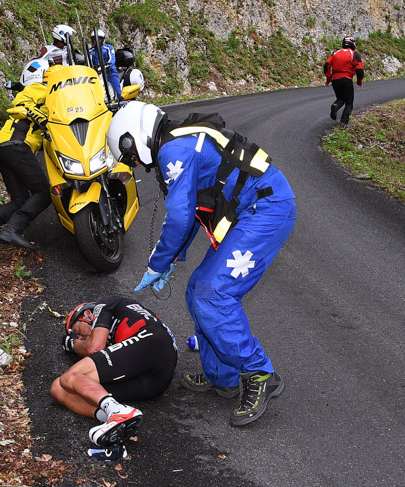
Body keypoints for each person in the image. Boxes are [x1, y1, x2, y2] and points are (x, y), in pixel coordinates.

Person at [105, 102, 297, 427]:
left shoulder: (173, 150)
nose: (136, 164)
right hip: (253, 210)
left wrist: (157, 262)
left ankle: (259, 373)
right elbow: (195, 210)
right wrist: (174, 260)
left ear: (132, 139)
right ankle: (223, 376)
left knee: (212, 295)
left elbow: (180, 216)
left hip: (266, 209)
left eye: (131, 157)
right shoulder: (178, 141)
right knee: (197, 289)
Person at [50, 296, 178, 446]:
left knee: (70, 377)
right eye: (77, 337)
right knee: (59, 388)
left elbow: (93, 348)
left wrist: (72, 344)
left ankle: (117, 411)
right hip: (156, 379)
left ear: (87, 315)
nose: (80, 337)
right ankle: (115, 420)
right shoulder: (117, 338)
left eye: (77, 330)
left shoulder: (104, 304)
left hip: (151, 341)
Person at [0, 59, 51, 249]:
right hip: (17, 145)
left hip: (4, 148)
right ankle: (13, 230)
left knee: (21, 200)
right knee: (43, 192)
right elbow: (22, 102)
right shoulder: (39, 89)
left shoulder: (42, 94)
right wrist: (44, 121)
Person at [323, 36, 365, 125]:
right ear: (353, 44)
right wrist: (359, 81)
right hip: (346, 79)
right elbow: (360, 69)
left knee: (340, 98)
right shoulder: (354, 54)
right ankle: (344, 122)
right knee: (349, 102)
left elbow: (326, 65)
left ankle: (335, 106)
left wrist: (329, 78)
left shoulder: (335, 53)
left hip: (335, 80)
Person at [88, 29, 122, 100]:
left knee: (118, 91)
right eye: (94, 39)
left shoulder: (108, 47)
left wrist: (106, 65)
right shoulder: (90, 51)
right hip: (97, 74)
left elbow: (112, 59)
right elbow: (88, 62)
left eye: (98, 39)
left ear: (102, 39)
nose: (96, 41)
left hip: (110, 72)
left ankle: (121, 106)